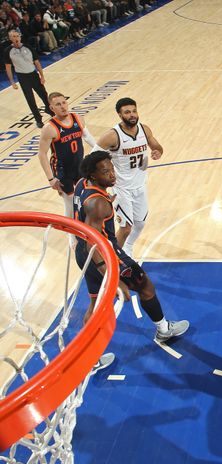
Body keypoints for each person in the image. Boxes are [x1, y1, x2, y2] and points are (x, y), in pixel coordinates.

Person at [74, 151, 189, 369]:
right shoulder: (98, 204)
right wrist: (113, 277)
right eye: (105, 172)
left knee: (96, 303)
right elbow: (94, 241)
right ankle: (164, 330)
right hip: (103, 253)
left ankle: (90, 357)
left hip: (83, 253)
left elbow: (86, 236)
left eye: (111, 169)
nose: (112, 174)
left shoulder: (82, 184)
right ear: (93, 175)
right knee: (145, 285)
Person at [94, 97, 163, 257]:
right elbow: (92, 159)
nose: (132, 115)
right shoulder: (112, 136)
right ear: (120, 115)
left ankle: (128, 247)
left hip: (140, 185)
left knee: (140, 223)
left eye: (134, 111)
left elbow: (157, 147)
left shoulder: (144, 130)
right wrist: (103, 183)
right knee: (125, 228)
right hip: (122, 188)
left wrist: (157, 151)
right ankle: (114, 259)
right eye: (127, 112)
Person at [37, 92, 98, 217]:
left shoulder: (78, 118)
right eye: (58, 104)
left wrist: (102, 151)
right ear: (51, 108)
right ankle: (71, 236)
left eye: (64, 102)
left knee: (86, 197)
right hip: (62, 170)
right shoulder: (49, 128)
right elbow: (42, 154)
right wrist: (51, 179)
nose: (63, 106)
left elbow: (87, 136)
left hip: (79, 165)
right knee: (70, 204)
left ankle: (85, 228)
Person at [2, 29, 53, 128]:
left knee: (43, 94)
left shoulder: (28, 47)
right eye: (13, 36)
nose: (16, 38)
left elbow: (37, 62)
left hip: (33, 75)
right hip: (23, 77)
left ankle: (49, 110)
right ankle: (38, 119)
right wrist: (12, 82)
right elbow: (8, 67)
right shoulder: (8, 51)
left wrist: (42, 76)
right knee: (30, 99)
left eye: (17, 36)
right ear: (10, 38)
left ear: (20, 37)